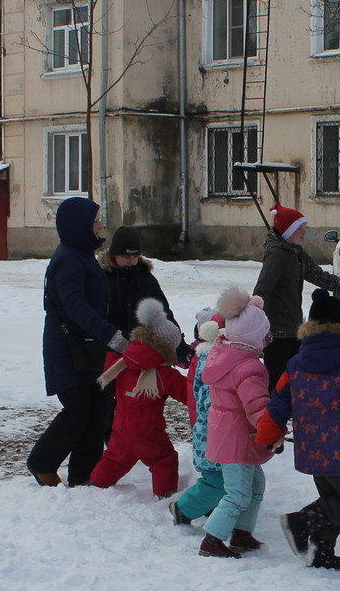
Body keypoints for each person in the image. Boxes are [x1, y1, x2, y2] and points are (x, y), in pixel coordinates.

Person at [263, 290, 340, 571]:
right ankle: (300, 523)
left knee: (332, 499)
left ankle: (322, 552)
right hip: (339, 450)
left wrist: (268, 433)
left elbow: (278, 402)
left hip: (309, 448)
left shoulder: (294, 365)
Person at [26, 196, 128, 488]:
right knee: (78, 409)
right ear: (79, 225)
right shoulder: (68, 259)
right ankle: (42, 462)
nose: (99, 226)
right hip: (69, 349)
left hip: (87, 349)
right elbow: (76, 307)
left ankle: (85, 473)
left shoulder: (81, 255)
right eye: (95, 221)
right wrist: (112, 336)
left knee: (98, 408)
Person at [196, 293, 276, 559]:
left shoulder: (225, 354)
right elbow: (256, 406)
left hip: (229, 434)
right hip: (239, 438)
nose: (266, 338)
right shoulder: (249, 367)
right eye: (264, 334)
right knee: (238, 493)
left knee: (255, 487)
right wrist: (271, 431)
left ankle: (241, 532)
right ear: (254, 337)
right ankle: (212, 540)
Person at [253, 204, 340, 391]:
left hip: (293, 329)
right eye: (299, 228)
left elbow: (320, 277)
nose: (304, 231)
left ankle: (295, 416)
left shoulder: (296, 253)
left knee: (296, 381)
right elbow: (263, 290)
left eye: (304, 227)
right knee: (276, 384)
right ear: (287, 231)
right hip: (277, 333)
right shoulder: (277, 255)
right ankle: (270, 419)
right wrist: (253, 320)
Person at [90, 300, 189, 498]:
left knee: (115, 459)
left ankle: (96, 486)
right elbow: (189, 394)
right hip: (148, 431)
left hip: (121, 427)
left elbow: (109, 360)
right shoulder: (165, 375)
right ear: (167, 349)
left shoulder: (124, 362)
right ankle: (165, 495)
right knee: (164, 460)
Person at [171, 305, 230, 528]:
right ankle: (183, 508)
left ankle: (208, 505)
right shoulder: (210, 359)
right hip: (208, 427)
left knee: (219, 475)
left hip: (208, 425)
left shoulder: (209, 356)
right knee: (215, 478)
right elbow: (207, 399)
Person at [102, 227, 184, 353]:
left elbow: (163, 312)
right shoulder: (102, 278)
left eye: (135, 256)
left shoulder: (145, 278)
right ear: (114, 255)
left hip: (141, 352)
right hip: (108, 350)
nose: (131, 261)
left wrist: (180, 347)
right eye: (126, 256)